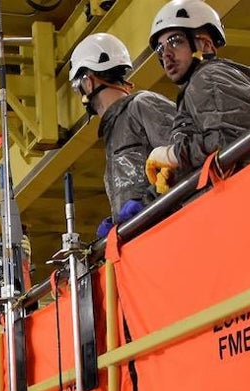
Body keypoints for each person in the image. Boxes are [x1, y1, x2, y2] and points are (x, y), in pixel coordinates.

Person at [144, 0, 250, 193]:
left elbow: (230, 140)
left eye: (175, 41)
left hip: (241, 198)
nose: (166, 54)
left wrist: (174, 155)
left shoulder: (209, 77)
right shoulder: (199, 85)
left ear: (206, 44)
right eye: (160, 49)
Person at [69, 32, 176, 237]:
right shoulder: (113, 132)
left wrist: (146, 204)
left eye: (78, 86)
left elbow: (185, 157)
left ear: (88, 81)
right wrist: (119, 222)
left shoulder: (141, 105)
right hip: (146, 239)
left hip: (170, 230)